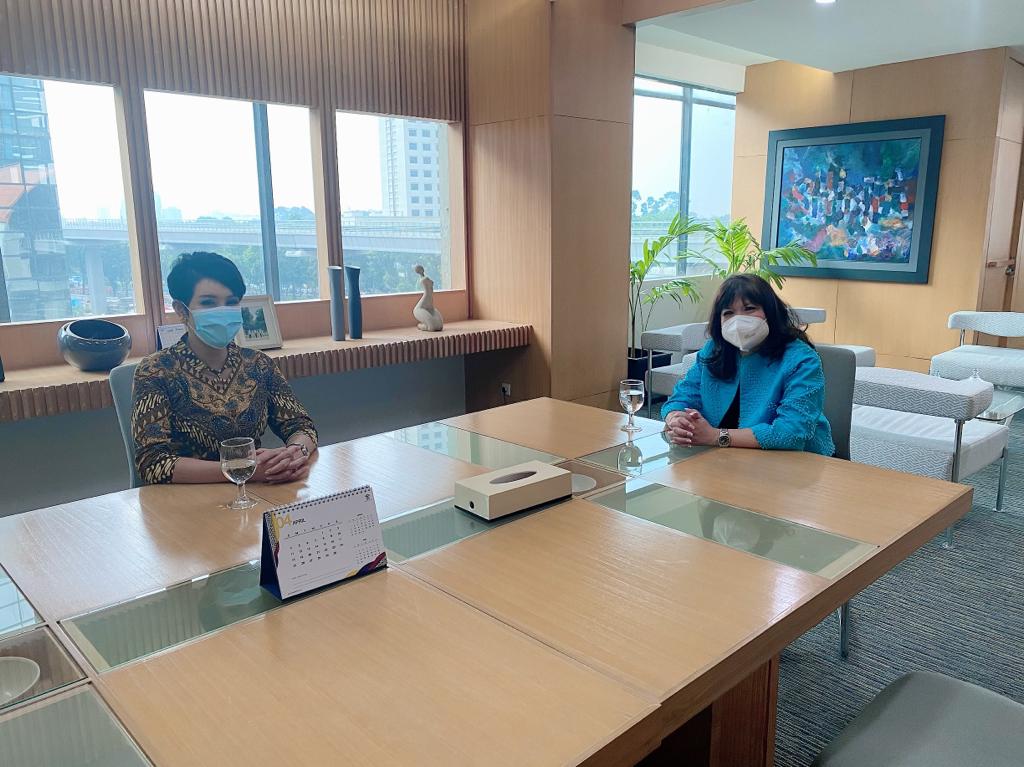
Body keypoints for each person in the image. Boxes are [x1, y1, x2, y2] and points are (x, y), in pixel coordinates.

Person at [131, 252, 318, 485]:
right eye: (208, 303)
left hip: (256, 491)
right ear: (181, 310)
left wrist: (295, 453)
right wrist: (242, 470)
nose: (222, 310)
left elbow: (301, 425)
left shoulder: (258, 364)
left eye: (231, 302)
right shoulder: (156, 371)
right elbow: (152, 463)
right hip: (186, 497)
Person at [662, 274, 834, 456]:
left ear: (771, 312)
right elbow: (682, 396)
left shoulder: (801, 359)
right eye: (728, 313)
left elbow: (792, 433)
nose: (738, 321)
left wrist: (715, 436)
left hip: (793, 461)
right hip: (722, 456)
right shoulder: (714, 350)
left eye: (749, 309)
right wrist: (676, 419)